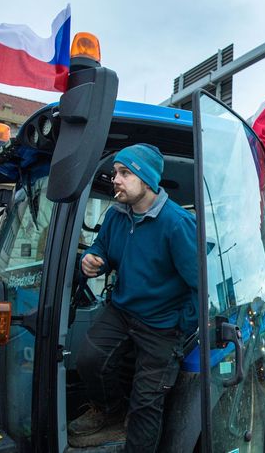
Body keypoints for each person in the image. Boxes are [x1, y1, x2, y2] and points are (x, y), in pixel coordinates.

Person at [68, 143, 198, 452]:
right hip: (123, 310)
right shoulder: (117, 215)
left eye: (125, 173)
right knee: (89, 359)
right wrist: (92, 260)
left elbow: (200, 284)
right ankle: (110, 412)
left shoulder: (177, 224)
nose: (116, 180)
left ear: (148, 180)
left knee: (146, 403)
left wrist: (181, 324)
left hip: (162, 324)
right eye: (116, 173)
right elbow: (101, 249)